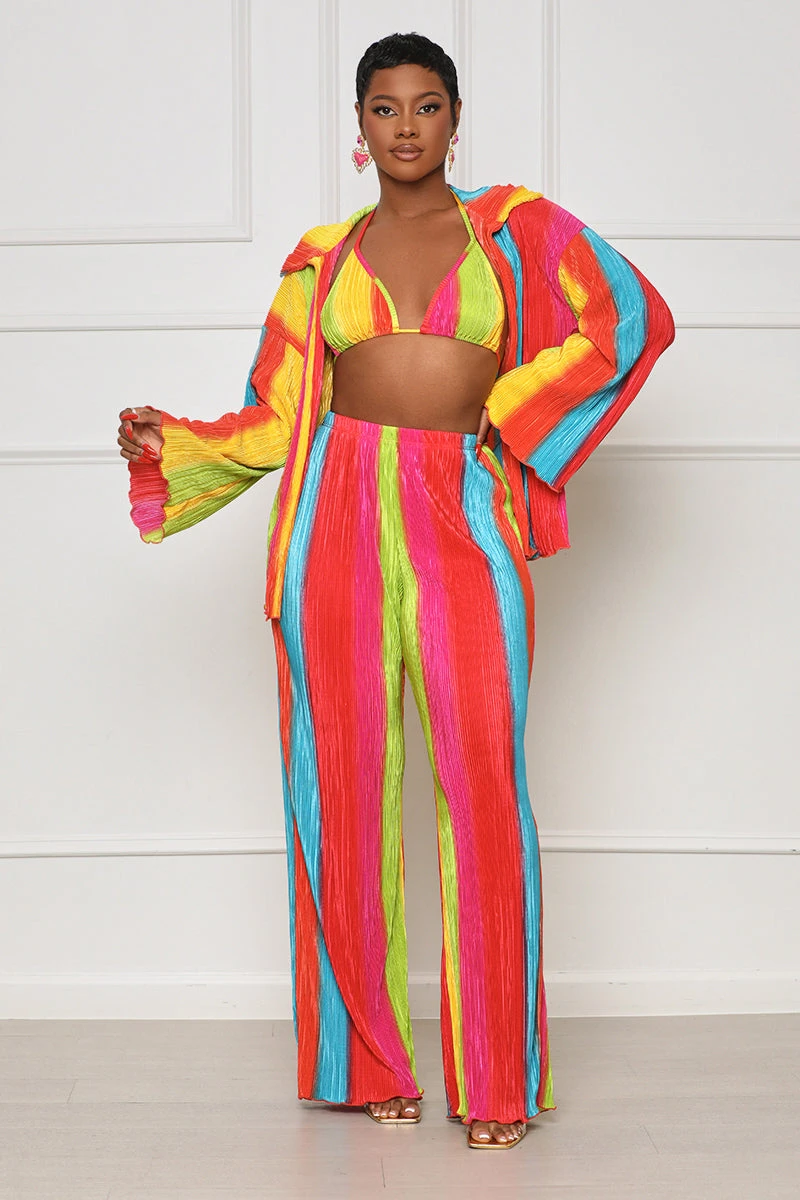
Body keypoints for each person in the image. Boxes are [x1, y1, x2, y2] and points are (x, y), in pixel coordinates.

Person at [117, 32, 675, 1151]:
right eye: (384, 107)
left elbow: (630, 316)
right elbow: (280, 413)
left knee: (484, 783)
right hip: (335, 513)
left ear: (455, 121)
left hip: (462, 510)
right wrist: (173, 444)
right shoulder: (320, 261)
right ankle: (367, 1063)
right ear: (359, 126)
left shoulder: (514, 229)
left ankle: (498, 1080)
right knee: (341, 792)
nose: (406, 125)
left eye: (426, 105)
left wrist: (509, 410)